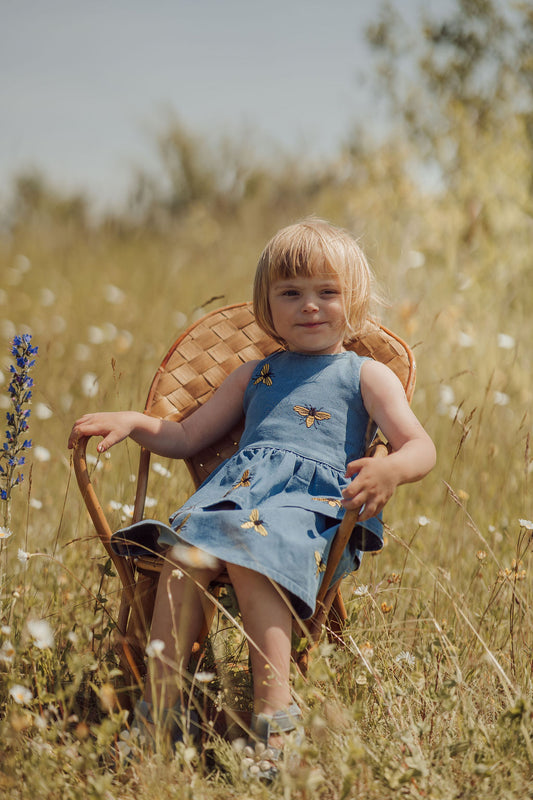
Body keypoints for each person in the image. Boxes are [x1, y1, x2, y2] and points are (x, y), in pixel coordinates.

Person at [68, 218, 436, 772]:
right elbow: (187, 435)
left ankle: (275, 727)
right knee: (183, 557)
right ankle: (160, 714)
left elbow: (420, 446)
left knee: (249, 555)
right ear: (267, 305)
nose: (309, 306)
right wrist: (134, 422)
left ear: (353, 301)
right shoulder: (254, 374)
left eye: (327, 293)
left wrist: (391, 471)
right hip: (235, 505)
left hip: (312, 514)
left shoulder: (365, 375)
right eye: (290, 293)